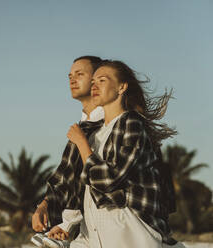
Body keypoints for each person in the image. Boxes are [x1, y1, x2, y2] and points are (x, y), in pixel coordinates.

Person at [43, 60, 183, 247]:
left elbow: (108, 180)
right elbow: (84, 189)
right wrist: (67, 225)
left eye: (102, 80)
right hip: (94, 231)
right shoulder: (95, 134)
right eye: (93, 81)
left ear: (121, 87)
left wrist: (82, 143)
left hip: (129, 231)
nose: (94, 85)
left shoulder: (131, 123)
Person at [31, 55, 104, 247]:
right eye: (70, 76)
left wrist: (67, 224)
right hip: (84, 234)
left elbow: (95, 179)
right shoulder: (82, 127)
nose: (72, 79)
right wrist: (44, 205)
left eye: (80, 74)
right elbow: (65, 176)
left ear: (98, 80)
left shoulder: (110, 127)